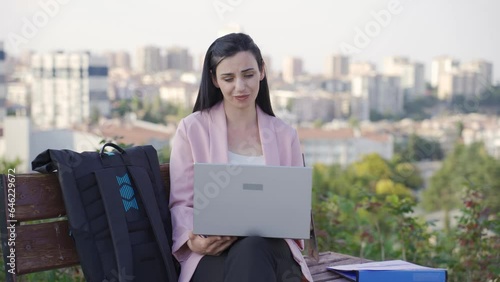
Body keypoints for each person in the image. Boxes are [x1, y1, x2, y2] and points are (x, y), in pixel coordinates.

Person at [169, 33, 313, 282]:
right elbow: (181, 202)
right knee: (248, 259)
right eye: (228, 78)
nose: (240, 87)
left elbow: (294, 208)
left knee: (253, 248)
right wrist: (193, 241)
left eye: (248, 74)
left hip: (272, 253)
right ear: (214, 80)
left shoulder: (284, 134)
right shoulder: (192, 129)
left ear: (262, 72)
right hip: (213, 253)